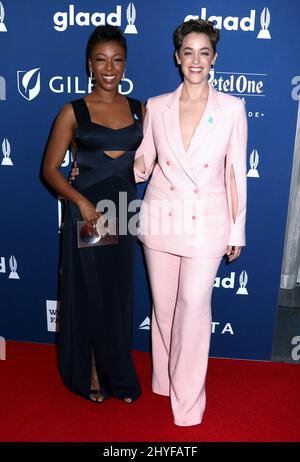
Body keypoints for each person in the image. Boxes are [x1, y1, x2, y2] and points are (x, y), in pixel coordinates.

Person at [134, 19, 247, 426]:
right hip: (161, 218)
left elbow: (235, 172)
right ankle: (164, 379)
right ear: (177, 57)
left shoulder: (232, 108)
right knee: (163, 309)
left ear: (214, 58)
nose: (195, 60)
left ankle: (187, 404)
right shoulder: (156, 105)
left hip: (208, 222)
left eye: (204, 52)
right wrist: (101, 162)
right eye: (188, 52)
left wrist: (237, 229)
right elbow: (142, 163)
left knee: (194, 307)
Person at [42, 25, 144, 404]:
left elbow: (151, 159)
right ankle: (92, 372)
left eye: (117, 60)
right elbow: (50, 169)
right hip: (88, 216)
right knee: (89, 294)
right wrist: (82, 202)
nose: (109, 67)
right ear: (89, 64)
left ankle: (119, 371)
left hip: (124, 211)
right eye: (101, 59)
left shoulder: (140, 109)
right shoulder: (73, 111)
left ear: (125, 64)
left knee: (118, 295)